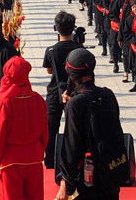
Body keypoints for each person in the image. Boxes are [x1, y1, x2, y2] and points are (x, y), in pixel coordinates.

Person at [56, 49, 126, 200]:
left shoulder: (75, 104)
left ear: (70, 73)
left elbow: (71, 146)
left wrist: (65, 181)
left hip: (88, 178)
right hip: (110, 171)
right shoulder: (108, 94)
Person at [0, 57, 48, 200]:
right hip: (34, 156)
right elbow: (44, 132)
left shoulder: (4, 102)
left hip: (10, 159)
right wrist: (39, 150)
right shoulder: (38, 99)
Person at [42, 10, 82, 169]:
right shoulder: (78, 48)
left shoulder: (51, 50)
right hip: (75, 91)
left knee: (51, 127)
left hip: (54, 91)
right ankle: (73, 159)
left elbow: (49, 70)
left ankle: (50, 160)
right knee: (74, 127)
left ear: (56, 28)